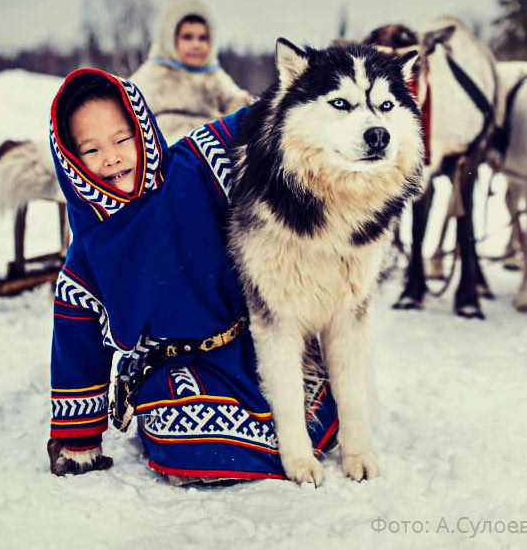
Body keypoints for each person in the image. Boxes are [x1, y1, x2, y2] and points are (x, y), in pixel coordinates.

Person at [47, 68, 337, 483]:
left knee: (316, 404)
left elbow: (257, 120)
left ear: (142, 130)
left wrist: (316, 81)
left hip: (248, 341)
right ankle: (213, 454)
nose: (110, 158)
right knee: (180, 433)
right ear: (70, 160)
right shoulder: (89, 254)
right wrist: (79, 440)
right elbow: (77, 344)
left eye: (121, 139)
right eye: (90, 150)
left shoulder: (196, 164)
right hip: (175, 365)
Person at [130, 0, 252, 144]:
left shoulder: (213, 76)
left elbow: (236, 103)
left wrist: (247, 110)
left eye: (203, 38)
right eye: (187, 37)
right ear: (170, 39)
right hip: (166, 143)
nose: (196, 45)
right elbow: (130, 108)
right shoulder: (153, 74)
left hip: (209, 143)